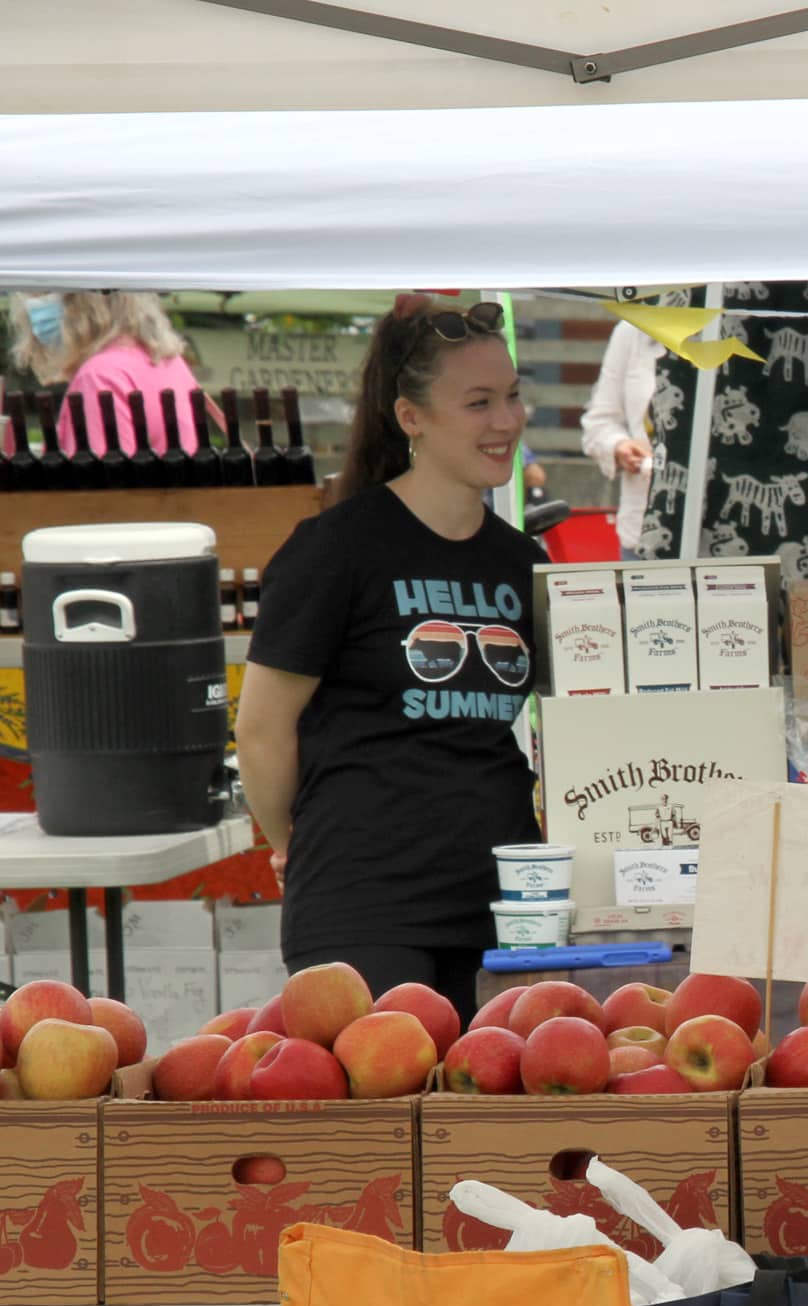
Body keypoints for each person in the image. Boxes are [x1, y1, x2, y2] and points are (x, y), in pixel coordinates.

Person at [235, 297, 544, 1025]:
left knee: (498, 1136)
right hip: (363, 907)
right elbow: (262, 729)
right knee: (388, 1133)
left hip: (505, 907)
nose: (505, 421)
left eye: (512, 396)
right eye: (477, 403)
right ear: (411, 417)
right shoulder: (337, 548)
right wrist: (297, 845)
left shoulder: (523, 562)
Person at [6, 291, 208, 455]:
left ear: (84, 301)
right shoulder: (168, 360)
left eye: (45, 293)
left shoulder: (99, 375)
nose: (33, 310)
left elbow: (101, 489)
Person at [580, 320, 667, 559]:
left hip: (722, 540)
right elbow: (598, 423)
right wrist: (619, 445)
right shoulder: (633, 330)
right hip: (641, 535)